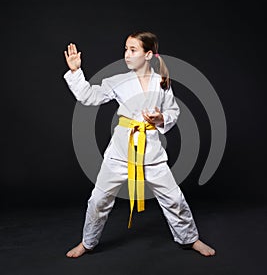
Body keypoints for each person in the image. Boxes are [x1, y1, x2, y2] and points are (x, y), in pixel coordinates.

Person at [63, 31, 216, 258]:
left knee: (174, 198)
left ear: (148, 54)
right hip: (121, 151)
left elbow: (173, 110)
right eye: (126, 49)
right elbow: (89, 96)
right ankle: (87, 242)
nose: (127, 54)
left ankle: (190, 238)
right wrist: (76, 71)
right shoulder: (118, 81)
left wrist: (160, 119)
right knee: (98, 200)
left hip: (151, 150)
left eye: (133, 50)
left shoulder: (162, 83)